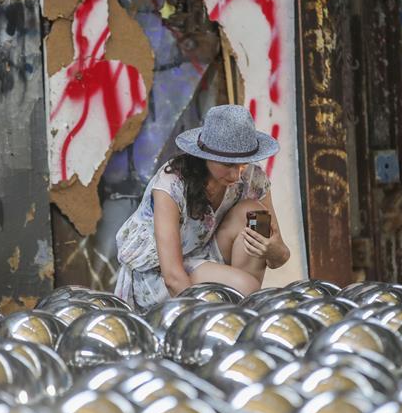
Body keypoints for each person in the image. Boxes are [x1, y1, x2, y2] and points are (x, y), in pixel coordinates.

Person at [115, 104, 290, 309]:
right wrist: (200, 322)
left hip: (206, 255)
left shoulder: (253, 177)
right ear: (205, 156)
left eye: (243, 162)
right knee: (246, 288)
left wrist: (274, 250)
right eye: (228, 164)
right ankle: (237, 308)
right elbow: (172, 276)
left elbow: (280, 257)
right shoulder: (171, 184)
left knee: (255, 213)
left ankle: (239, 308)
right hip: (159, 273)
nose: (236, 175)